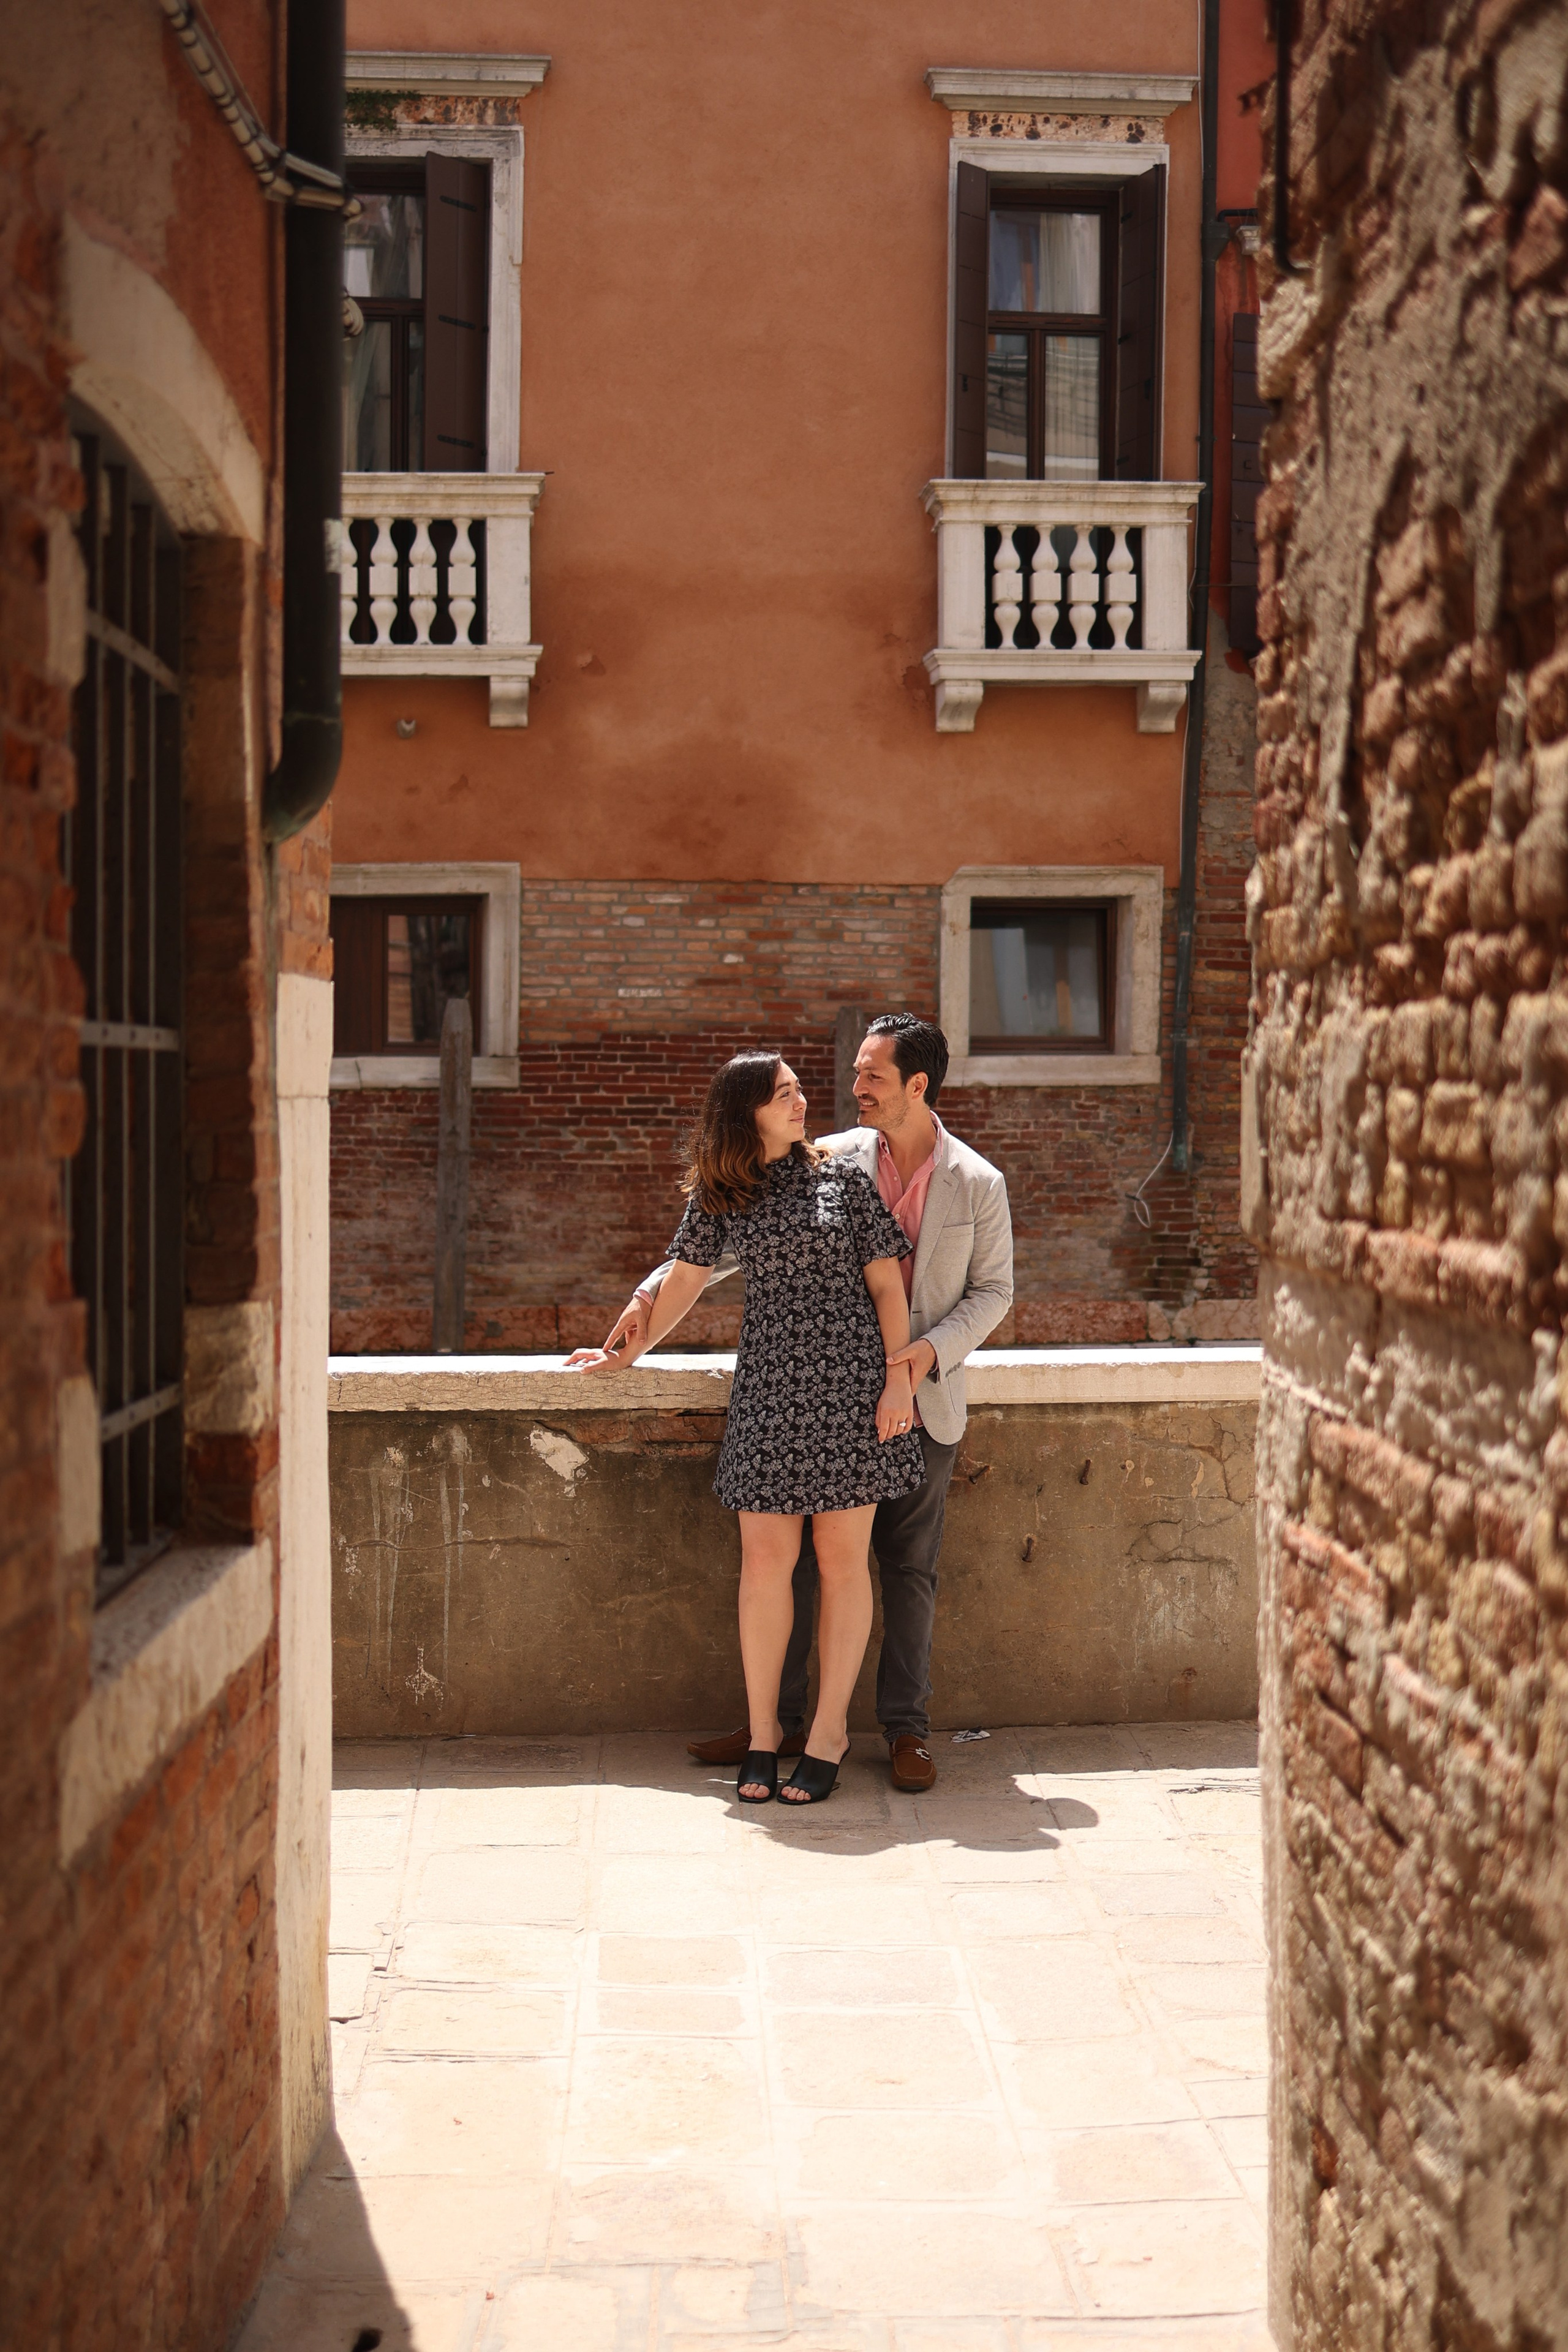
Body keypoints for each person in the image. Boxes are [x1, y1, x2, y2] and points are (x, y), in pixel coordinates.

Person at [576, 1013, 1013, 1793]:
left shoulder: (915, 1179)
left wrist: (901, 1372)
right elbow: (690, 1271)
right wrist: (629, 1341)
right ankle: (769, 1731)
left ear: (916, 1083)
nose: (833, 1093)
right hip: (773, 1395)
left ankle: (863, 1733)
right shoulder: (769, 1176)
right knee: (771, 1567)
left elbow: (939, 1289)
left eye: (868, 1075)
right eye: (790, 1091)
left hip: (870, 1393)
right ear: (748, 1109)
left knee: (878, 1568)